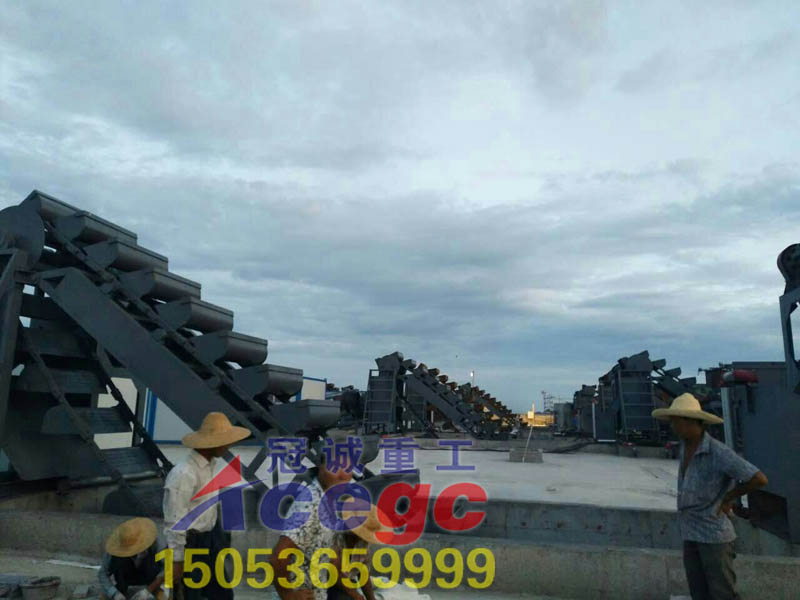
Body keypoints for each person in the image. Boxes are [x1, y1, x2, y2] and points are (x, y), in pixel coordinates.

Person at [653, 393, 768, 600]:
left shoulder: (718, 452)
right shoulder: (685, 447)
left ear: (690, 421)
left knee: (722, 593)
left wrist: (728, 498)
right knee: (698, 592)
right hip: (690, 532)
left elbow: (758, 478)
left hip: (713, 535)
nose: (672, 426)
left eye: (675, 421)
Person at [163, 412, 251, 600]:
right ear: (214, 443)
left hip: (211, 540)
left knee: (223, 595)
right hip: (191, 544)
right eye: (225, 442)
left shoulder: (210, 466)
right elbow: (175, 521)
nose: (228, 446)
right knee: (190, 595)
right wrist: (177, 560)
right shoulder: (184, 473)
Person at [270, 444, 360, 600]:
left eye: (348, 469)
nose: (342, 476)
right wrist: (287, 594)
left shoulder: (329, 500)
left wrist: (355, 594)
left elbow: (331, 557)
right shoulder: (310, 505)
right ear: (320, 467)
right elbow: (278, 556)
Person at [99, 517, 165, 600]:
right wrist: (114, 593)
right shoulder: (116, 548)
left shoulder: (158, 544)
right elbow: (103, 573)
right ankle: (121, 590)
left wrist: (149, 590)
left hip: (150, 579)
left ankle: (155, 590)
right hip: (125, 579)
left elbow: (169, 569)